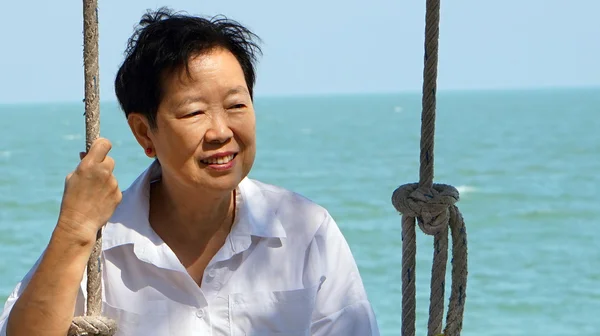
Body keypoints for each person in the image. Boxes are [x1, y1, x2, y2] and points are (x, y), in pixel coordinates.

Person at [0, 7, 380, 336]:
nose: (220, 132)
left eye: (236, 105)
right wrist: (73, 230)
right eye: (194, 112)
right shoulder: (99, 242)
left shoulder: (305, 230)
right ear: (144, 133)